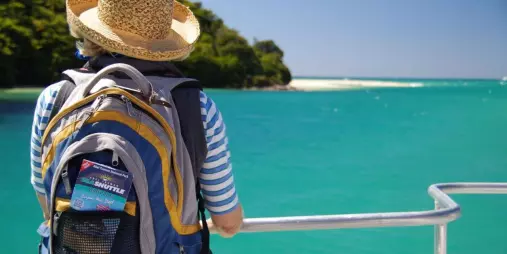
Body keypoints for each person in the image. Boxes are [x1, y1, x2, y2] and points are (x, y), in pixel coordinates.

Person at [30, 0, 243, 252]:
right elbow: (226, 221)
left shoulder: (56, 96)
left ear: (91, 33)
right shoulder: (196, 106)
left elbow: (45, 195)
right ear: (165, 42)